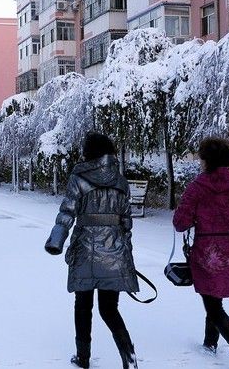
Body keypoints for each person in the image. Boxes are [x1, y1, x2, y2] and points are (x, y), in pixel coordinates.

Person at [45, 133, 139, 369]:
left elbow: (67, 212)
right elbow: (126, 221)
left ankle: (83, 357)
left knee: (82, 305)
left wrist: (56, 240)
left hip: (85, 249)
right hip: (114, 251)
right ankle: (129, 355)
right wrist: (124, 249)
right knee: (109, 308)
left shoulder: (79, 178)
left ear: (88, 153)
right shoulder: (120, 181)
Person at [173, 137, 229, 369]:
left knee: (212, 303)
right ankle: (209, 344)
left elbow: (180, 223)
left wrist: (195, 216)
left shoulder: (198, 186)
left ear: (206, 160)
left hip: (208, 251)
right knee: (214, 297)